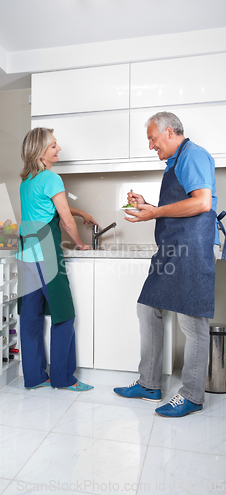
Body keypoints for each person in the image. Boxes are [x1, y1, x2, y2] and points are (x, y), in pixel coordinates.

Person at [113, 111, 219, 418]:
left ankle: (192, 395)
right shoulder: (175, 162)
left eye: (152, 138)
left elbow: (202, 202)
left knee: (191, 321)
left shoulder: (194, 155)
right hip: (173, 247)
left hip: (192, 247)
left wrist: (154, 213)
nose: (150, 146)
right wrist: (150, 207)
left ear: (169, 132)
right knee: (148, 308)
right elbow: (179, 207)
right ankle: (149, 384)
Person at [17, 127, 97, 391]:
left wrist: (79, 211)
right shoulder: (52, 178)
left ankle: (35, 377)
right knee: (64, 315)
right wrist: (80, 244)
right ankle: (63, 379)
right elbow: (63, 219)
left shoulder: (27, 180)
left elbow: (51, 204)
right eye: (53, 145)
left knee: (30, 318)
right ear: (40, 152)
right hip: (47, 254)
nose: (58, 148)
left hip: (26, 254)